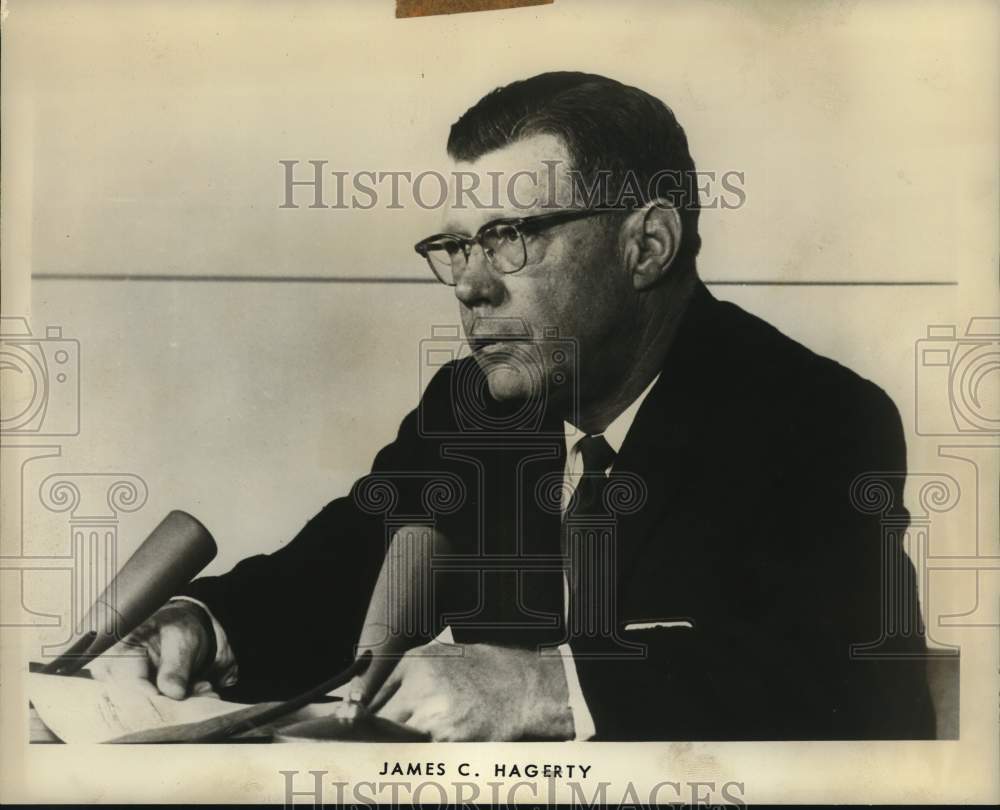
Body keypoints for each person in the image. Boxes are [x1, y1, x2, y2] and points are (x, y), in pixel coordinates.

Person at [90, 72, 936, 741]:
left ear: (647, 244)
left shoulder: (813, 415)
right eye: (458, 244)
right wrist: (208, 626)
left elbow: (862, 690)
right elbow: (345, 564)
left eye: (510, 238)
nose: (470, 284)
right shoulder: (474, 407)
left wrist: (546, 687)